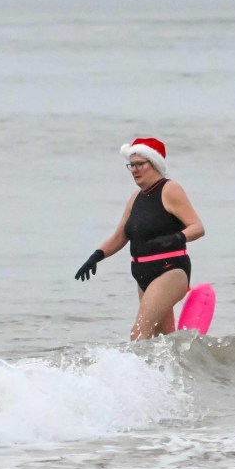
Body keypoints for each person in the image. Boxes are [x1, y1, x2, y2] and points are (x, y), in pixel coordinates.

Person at [75, 137, 205, 341]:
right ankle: (179, 370)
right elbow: (120, 236)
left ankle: (128, 373)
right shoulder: (135, 197)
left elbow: (197, 228)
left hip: (170, 271)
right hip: (143, 275)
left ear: (154, 164)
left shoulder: (169, 189)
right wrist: (96, 256)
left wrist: (175, 238)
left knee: (138, 335)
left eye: (139, 164)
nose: (134, 169)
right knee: (162, 340)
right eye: (131, 165)